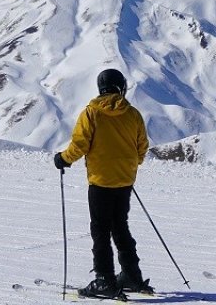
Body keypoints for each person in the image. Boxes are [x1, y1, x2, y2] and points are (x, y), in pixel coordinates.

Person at [53, 68, 150, 298]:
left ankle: (104, 279)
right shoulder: (133, 114)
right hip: (125, 180)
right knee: (120, 226)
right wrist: (130, 165)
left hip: (100, 182)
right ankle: (131, 275)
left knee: (100, 230)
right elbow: (142, 146)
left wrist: (62, 160)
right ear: (120, 87)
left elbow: (80, 145)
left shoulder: (91, 113)